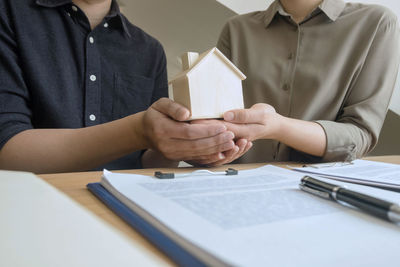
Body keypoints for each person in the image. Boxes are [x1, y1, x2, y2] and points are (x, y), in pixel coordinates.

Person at [0, 0, 251, 173]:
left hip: (124, 213)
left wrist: (185, 146)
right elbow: (7, 150)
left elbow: (150, 163)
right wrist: (138, 131)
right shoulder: (8, 12)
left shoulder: (149, 51)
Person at [204, 0, 400, 164]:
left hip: (321, 193)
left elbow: (360, 136)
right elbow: (213, 124)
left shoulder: (377, 23)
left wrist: (279, 127)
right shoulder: (236, 29)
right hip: (236, 185)